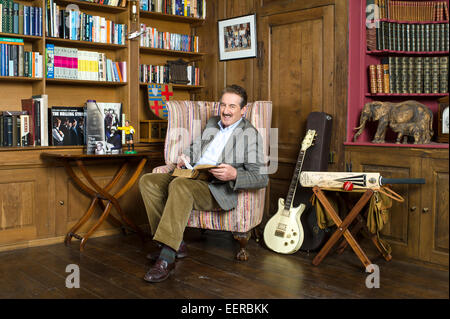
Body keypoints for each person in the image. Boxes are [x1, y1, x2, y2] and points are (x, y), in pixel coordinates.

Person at [138, 85, 268, 283]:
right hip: (192, 173)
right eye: (223, 105)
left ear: (243, 110)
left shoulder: (250, 135)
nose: (226, 110)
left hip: (215, 187)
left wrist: (234, 174)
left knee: (179, 186)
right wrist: (187, 156)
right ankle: (176, 243)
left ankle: (166, 257)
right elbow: (197, 146)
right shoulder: (214, 122)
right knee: (148, 181)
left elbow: (261, 178)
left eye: (232, 106)